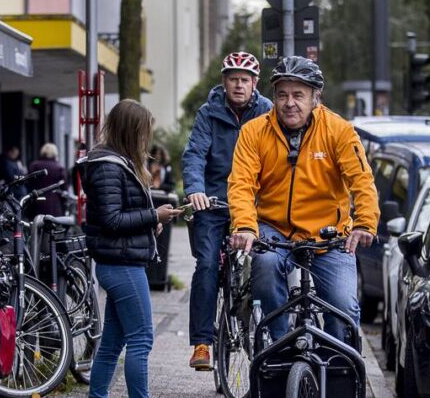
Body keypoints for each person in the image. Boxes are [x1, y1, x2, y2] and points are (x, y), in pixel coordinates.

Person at [228, 55, 379, 343]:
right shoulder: (254, 132)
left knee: (343, 307)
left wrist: (365, 224)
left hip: (329, 236)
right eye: (282, 95)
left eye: (298, 95)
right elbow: (241, 184)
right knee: (265, 267)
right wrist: (246, 227)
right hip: (275, 230)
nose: (289, 103)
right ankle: (280, 343)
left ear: (315, 98)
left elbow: (362, 180)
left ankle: (336, 366)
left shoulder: (339, 131)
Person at [80, 99, 182, 398]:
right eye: (143, 132)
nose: (145, 139)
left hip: (119, 261)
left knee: (113, 343)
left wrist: (151, 223)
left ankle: (97, 396)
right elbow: (112, 219)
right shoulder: (109, 167)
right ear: (131, 130)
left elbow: (117, 214)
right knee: (142, 339)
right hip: (121, 265)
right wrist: (154, 216)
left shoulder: (114, 163)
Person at [181, 51, 273, 370]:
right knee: (206, 265)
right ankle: (203, 343)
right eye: (233, 78)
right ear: (224, 82)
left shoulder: (267, 113)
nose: (238, 84)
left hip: (253, 204)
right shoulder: (209, 113)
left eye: (244, 80)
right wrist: (195, 190)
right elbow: (194, 155)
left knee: (268, 264)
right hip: (215, 202)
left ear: (254, 84)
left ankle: (271, 334)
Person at [27, 143, 66, 217]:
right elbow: (63, 186)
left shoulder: (34, 165)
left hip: (37, 200)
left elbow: (29, 183)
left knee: (36, 225)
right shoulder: (59, 167)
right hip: (54, 202)